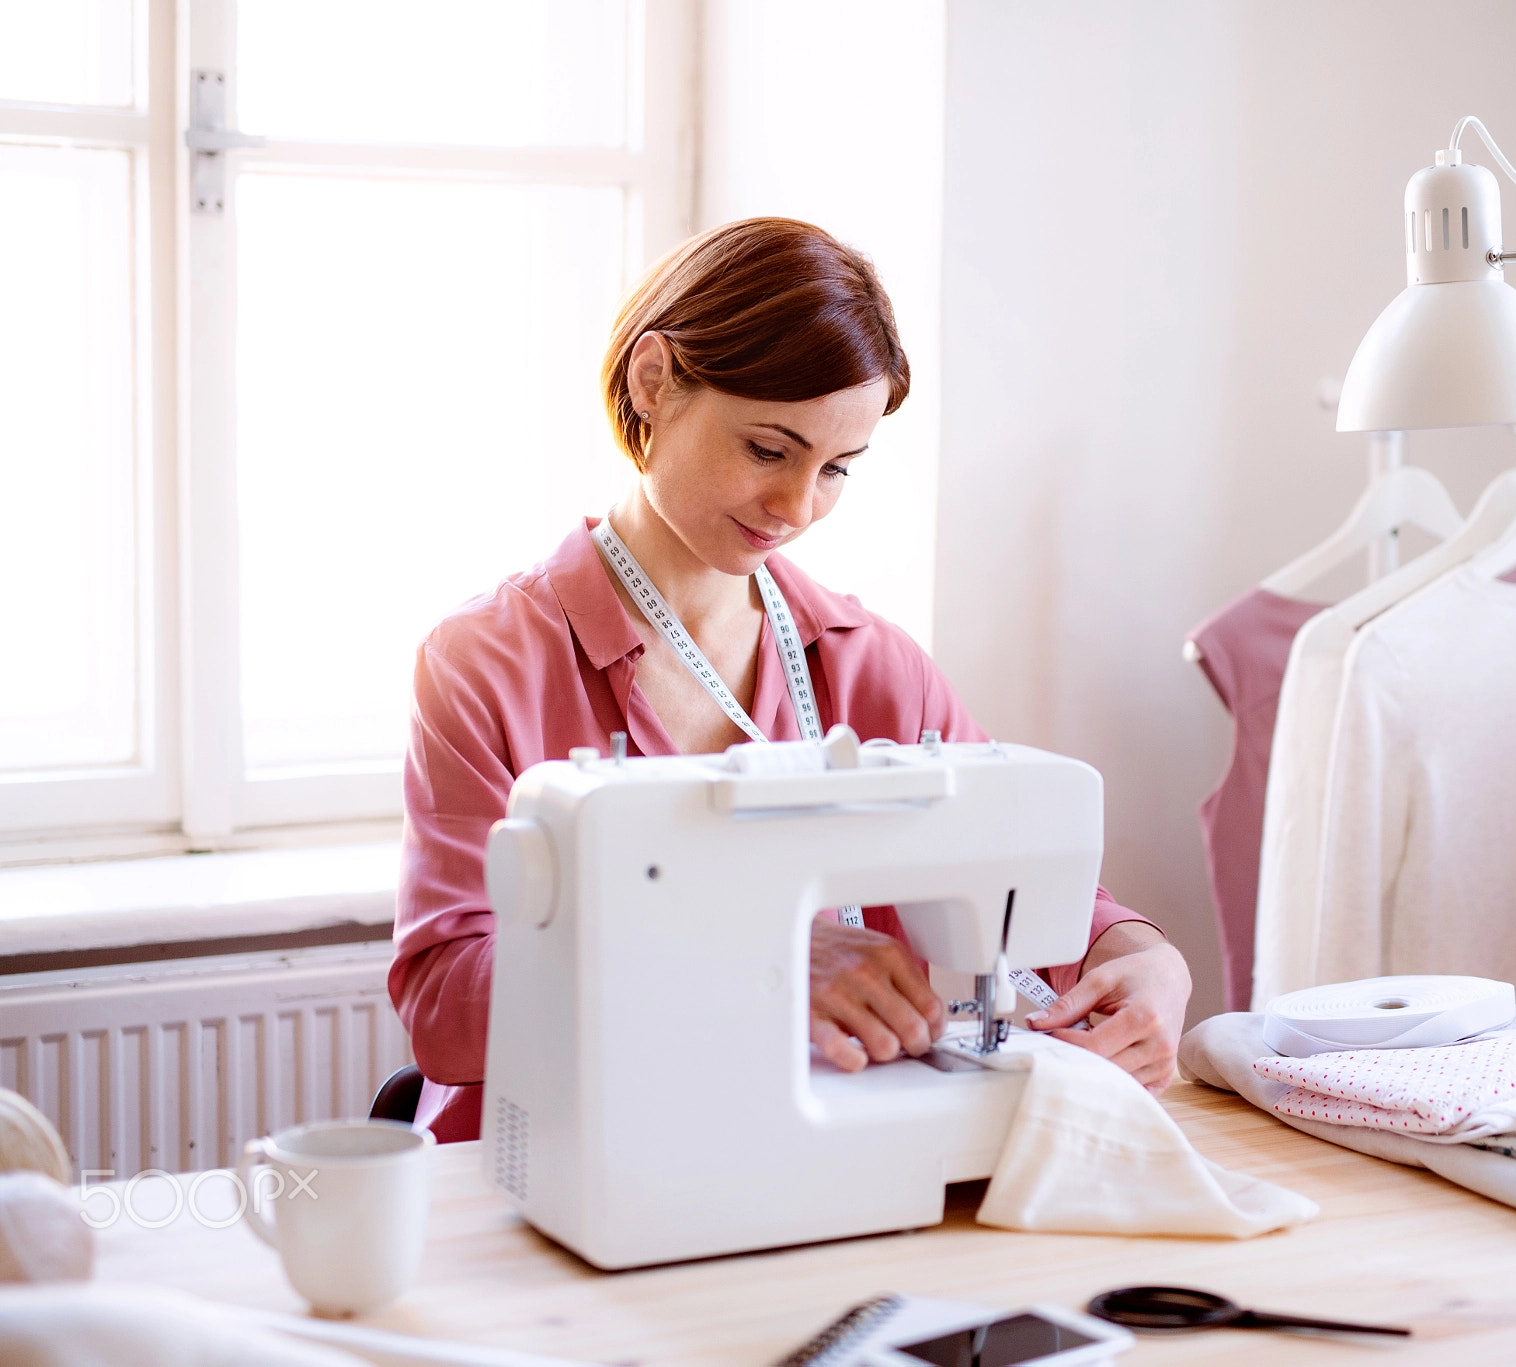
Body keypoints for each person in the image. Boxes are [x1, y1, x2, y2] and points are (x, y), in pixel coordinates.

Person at [391, 217, 1192, 1142]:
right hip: (549, 1172)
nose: (798, 506)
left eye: (837, 468)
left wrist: (1145, 956)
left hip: (793, 1154)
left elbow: (1021, 875)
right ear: (654, 382)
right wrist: (755, 956)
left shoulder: (866, 661)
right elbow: (447, 1008)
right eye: (769, 450)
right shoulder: (489, 663)